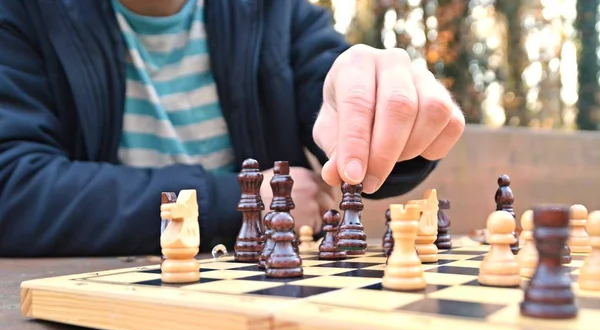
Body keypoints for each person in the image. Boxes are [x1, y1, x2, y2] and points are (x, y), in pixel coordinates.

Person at [0, 0, 464, 257]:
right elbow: (14, 189)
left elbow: (343, 116)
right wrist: (238, 203)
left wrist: (394, 119)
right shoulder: (21, 16)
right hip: (92, 311)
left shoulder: (277, 15)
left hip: (274, 306)